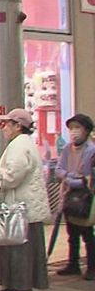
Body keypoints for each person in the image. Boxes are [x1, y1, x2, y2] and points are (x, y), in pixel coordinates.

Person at [0, 108, 51, 291]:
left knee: (18, 250)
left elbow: (12, 177)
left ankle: (20, 289)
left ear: (18, 126)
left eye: (8, 124)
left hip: (20, 209)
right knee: (25, 248)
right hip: (27, 208)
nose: (5, 127)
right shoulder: (24, 144)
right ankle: (19, 287)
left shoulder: (18, 146)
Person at [54, 113, 95, 280]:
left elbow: (88, 177)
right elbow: (58, 170)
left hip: (86, 196)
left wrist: (69, 178)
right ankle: (73, 264)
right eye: (71, 128)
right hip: (69, 195)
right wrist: (72, 177)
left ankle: (92, 267)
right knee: (72, 232)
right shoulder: (67, 149)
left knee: (87, 231)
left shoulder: (91, 151)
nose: (74, 132)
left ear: (86, 131)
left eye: (78, 128)